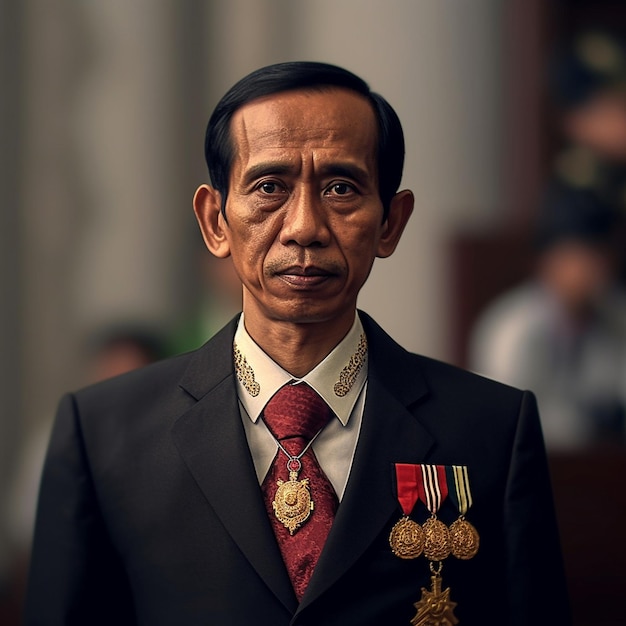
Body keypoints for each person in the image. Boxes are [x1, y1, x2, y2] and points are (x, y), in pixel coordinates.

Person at [23, 61, 570, 625]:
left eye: (341, 187)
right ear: (215, 221)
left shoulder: (492, 430)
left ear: (391, 223)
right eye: (270, 187)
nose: (304, 226)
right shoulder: (104, 433)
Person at [470, 180, 626, 450]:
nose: (593, 268)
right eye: (580, 255)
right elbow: (503, 420)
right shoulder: (512, 326)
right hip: (532, 465)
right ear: (548, 259)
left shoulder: (615, 314)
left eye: (600, 255)